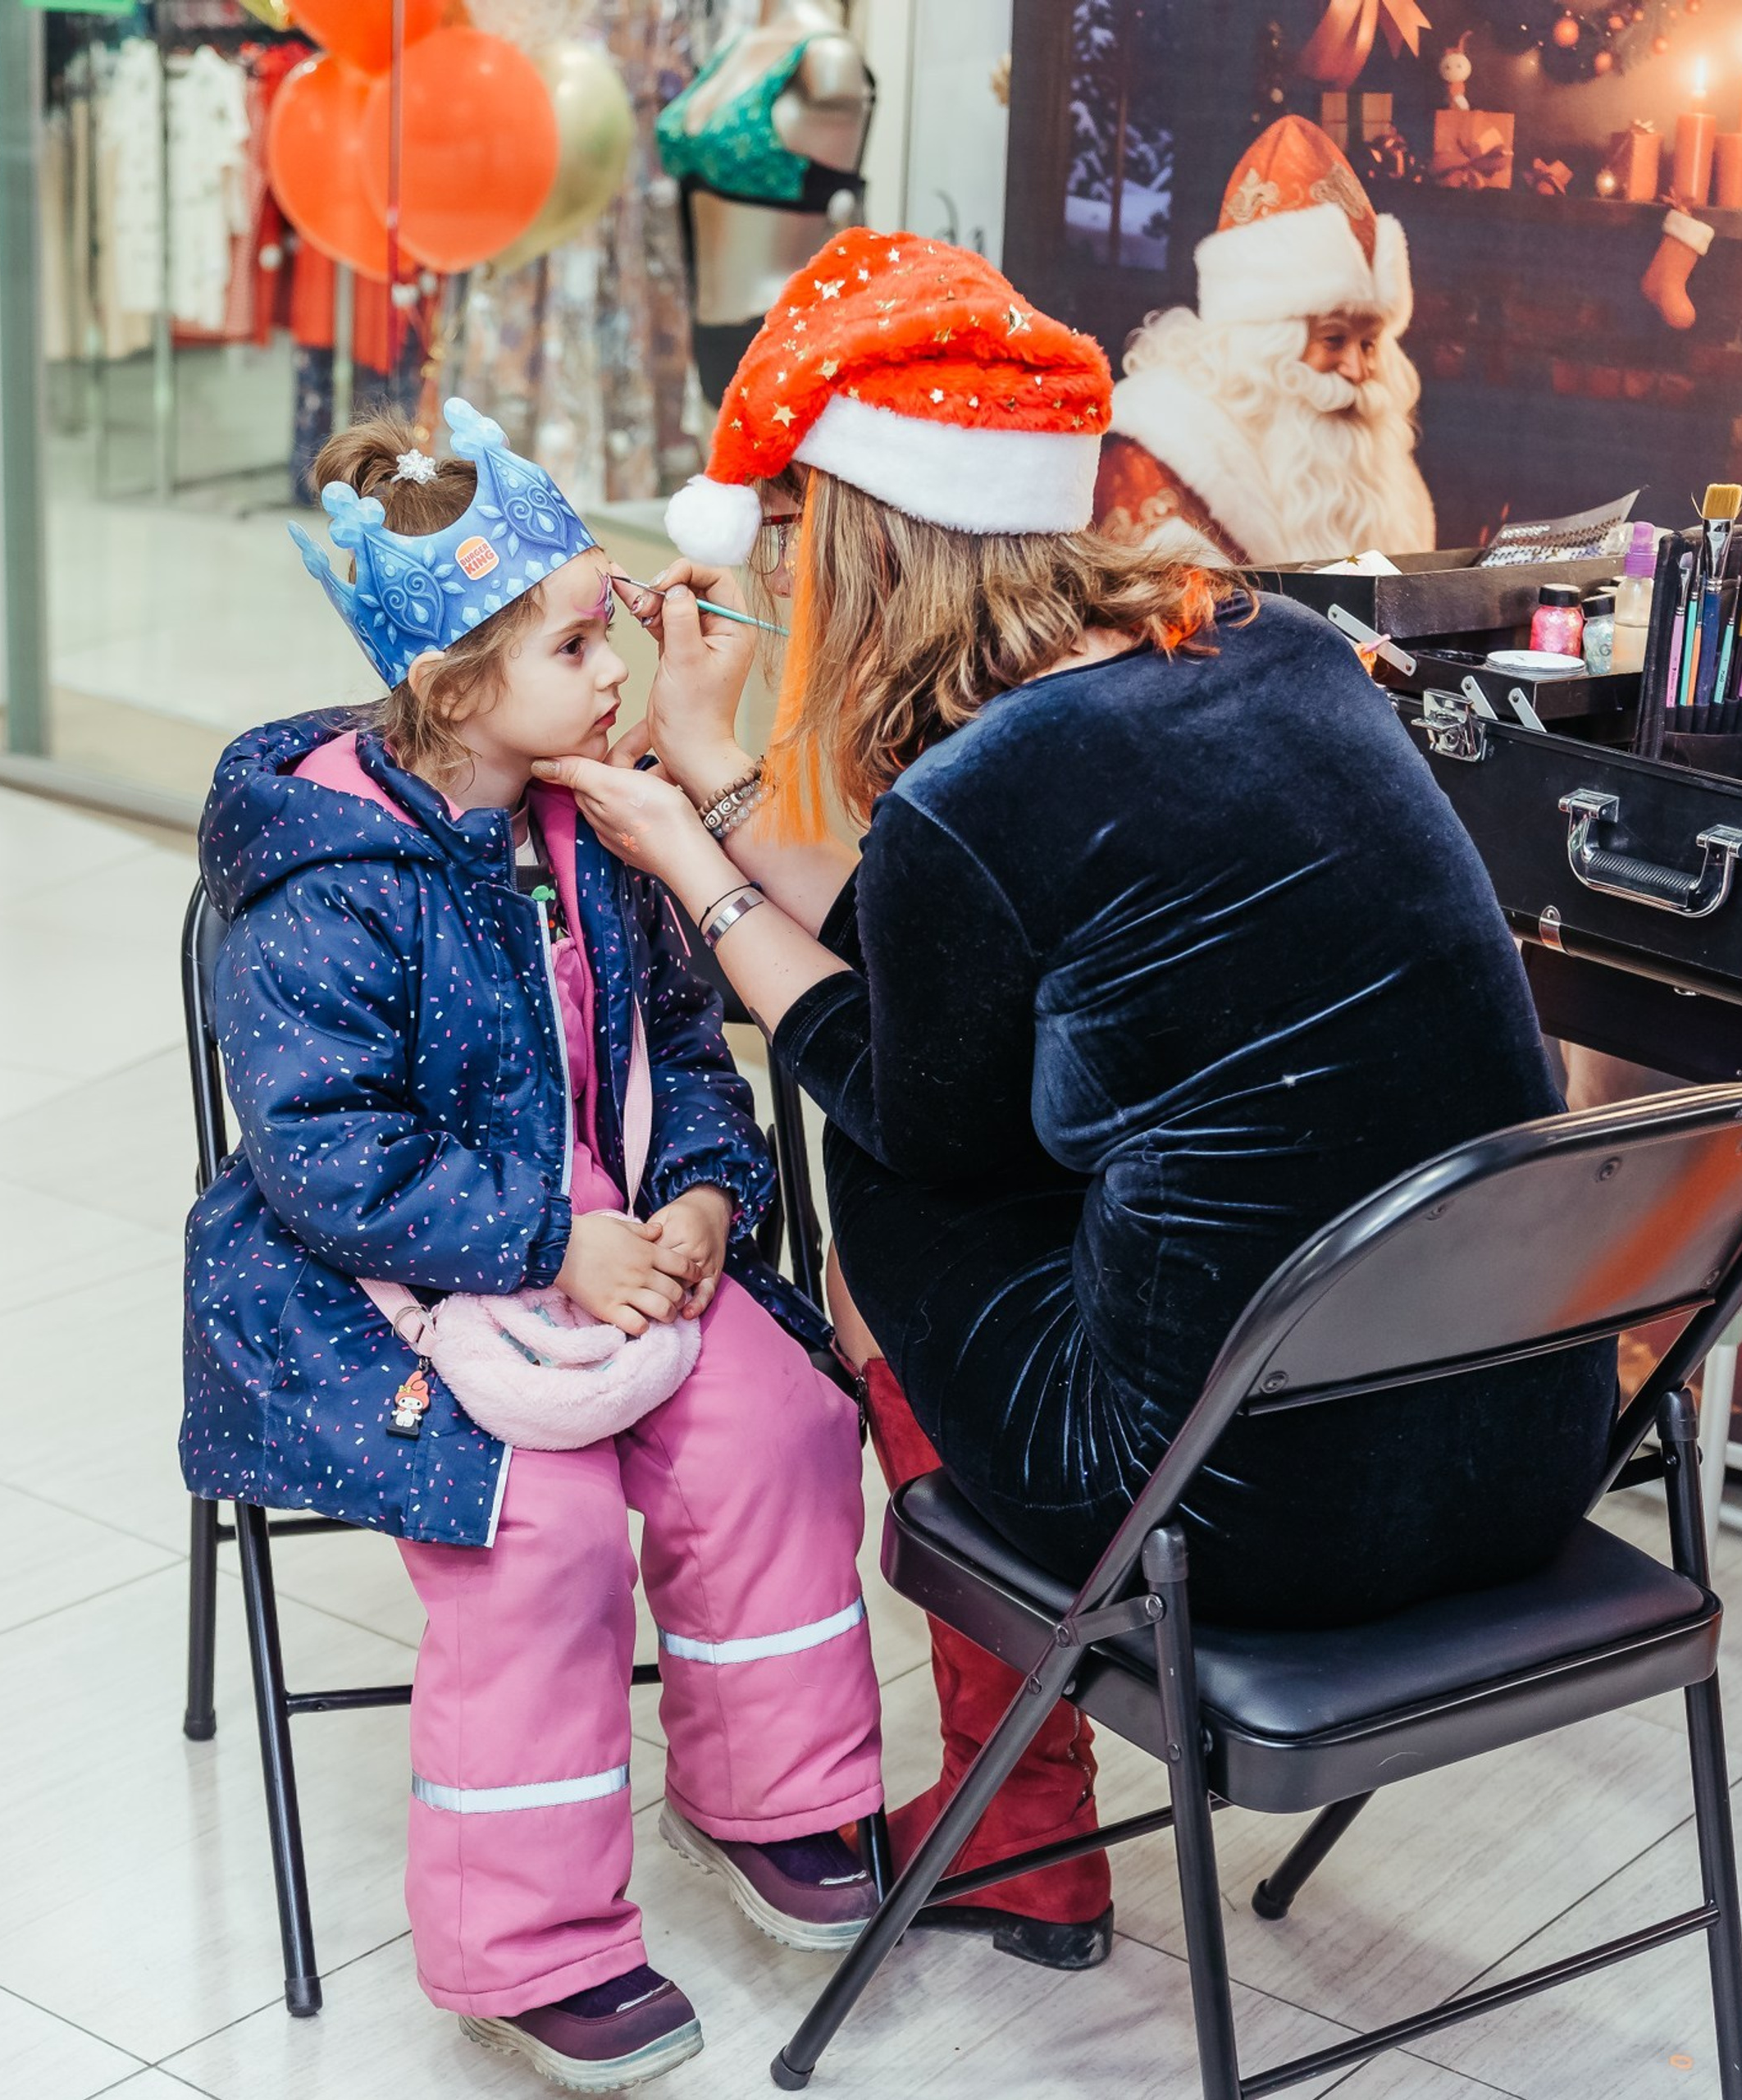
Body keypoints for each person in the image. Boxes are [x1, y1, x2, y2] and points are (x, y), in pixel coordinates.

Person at [547, 228, 1614, 1974]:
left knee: (889, 1173)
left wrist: (689, 850)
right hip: (1521, 1436)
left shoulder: (983, 790)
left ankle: (1013, 1822)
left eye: (800, 538)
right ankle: (1012, 1814)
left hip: (1246, 1515)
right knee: (1032, 1120)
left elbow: (913, 1087)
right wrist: (720, 776)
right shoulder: (1263, 645)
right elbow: (953, 929)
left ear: (867, 540)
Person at [180, 402, 883, 2094]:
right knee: (541, 1525)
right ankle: (530, 1938)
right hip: (376, 1276)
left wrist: (707, 1196)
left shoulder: (594, 829)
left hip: (615, 1238)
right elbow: (320, 1156)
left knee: (777, 1423)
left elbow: (690, 1050)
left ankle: (770, 1795)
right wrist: (544, 1241)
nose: (614, 668)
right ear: (448, 680)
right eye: (575, 641)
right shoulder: (327, 879)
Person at [1093, 114, 1436, 565]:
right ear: (1265, 345)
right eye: (1334, 341)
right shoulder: (1161, 446)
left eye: (1370, 344)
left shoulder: (1381, 463)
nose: (1358, 370)